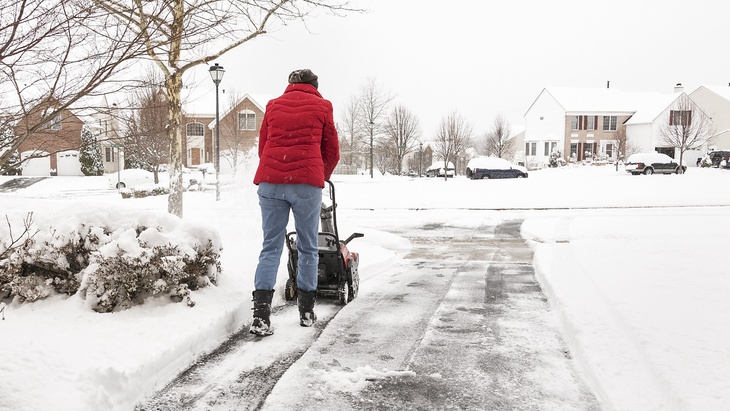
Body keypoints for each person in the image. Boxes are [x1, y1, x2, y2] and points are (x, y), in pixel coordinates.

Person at [249, 69, 340, 337]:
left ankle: (261, 316)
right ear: (315, 86)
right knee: (308, 246)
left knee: (270, 247)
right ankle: (306, 312)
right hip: (306, 185)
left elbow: (263, 147)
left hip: (271, 183)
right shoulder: (323, 106)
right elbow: (331, 150)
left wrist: (277, 171)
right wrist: (319, 174)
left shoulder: (273, 105)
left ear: (290, 85)